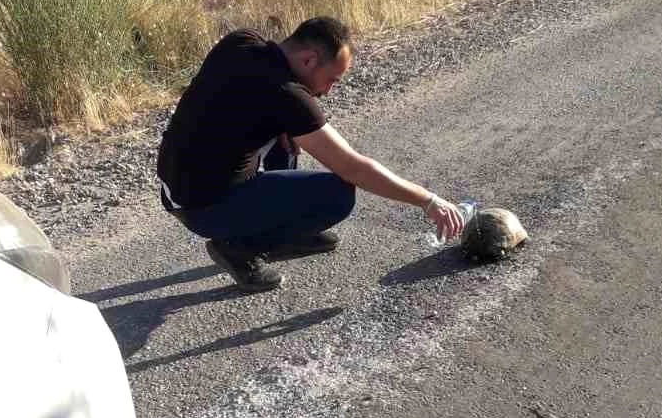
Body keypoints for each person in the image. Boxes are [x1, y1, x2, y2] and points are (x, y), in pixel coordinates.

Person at [156, 16, 466, 292]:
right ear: (309, 60)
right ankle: (239, 247)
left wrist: (280, 125)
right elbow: (353, 167)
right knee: (338, 194)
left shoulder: (241, 41)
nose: (328, 91)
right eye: (332, 79)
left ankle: (279, 229)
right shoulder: (287, 95)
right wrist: (428, 201)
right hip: (206, 208)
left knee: (287, 134)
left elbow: (228, 99)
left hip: (175, 190)